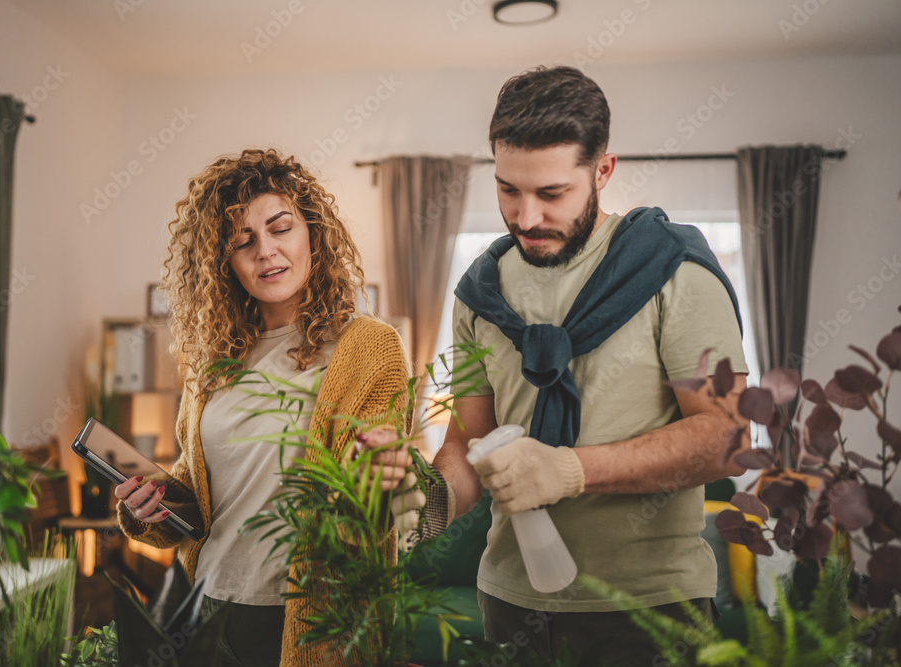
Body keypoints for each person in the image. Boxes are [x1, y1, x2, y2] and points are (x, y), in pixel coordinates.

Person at [426, 66, 751, 663]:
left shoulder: (676, 272)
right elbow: (470, 446)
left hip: (651, 608)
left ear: (603, 170)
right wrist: (420, 502)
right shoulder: (478, 294)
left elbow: (728, 438)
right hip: (508, 601)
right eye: (507, 190)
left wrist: (571, 470)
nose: (525, 218)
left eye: (551, 194)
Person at [114, 148, 413, 667]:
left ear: (313, 234)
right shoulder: (212, 362)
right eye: (242, 241)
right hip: (205, 602)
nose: (266, 251)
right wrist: (151, 506)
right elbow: (199, 494)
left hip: (307, 611)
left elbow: (374, 504)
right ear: (222, 262)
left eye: (280, 229)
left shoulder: (368, 347)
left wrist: (389, 472)